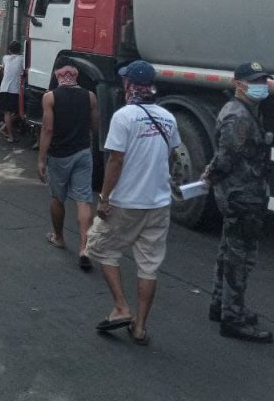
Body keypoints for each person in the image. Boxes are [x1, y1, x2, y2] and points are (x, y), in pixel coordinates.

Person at [85, 60, 180, 346]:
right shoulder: (168, 117)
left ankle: (121, 307)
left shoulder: (124, 116)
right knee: (148, 266)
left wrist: (104, 197)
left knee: (101, 248)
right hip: (159, 203)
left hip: (127, 201)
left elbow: (115, 159)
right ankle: (139, 327)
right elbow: (170, 155)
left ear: (129, 85)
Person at [202, 61, 274, 343]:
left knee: (228, 251)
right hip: (242, 195)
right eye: (255, 81)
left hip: (241, 193)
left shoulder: (246, 110)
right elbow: (226, 158)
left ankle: (220, 305)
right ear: (238, 84)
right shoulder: (238, 116)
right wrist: (210, 176)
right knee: (240, 258)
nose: (262, 86)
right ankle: (233, 318)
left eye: (264, 81)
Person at [37, 65, 100, 270]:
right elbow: (95, 125)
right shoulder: (89, 96)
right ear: (75, 78)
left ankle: (58, 237)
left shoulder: (50, 97)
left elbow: (47, 129)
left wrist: (41, 159)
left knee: (58, 197)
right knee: (83, 200)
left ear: (58, 79)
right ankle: (84, 248)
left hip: (59, 155)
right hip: (82, 153)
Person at [0, 41, 24, 142]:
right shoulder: (22, 59)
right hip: (15, 89)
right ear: (20, 50)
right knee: (18, 112)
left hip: (4, 88)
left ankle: (9, 134)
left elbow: (3, 69)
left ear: (9, 50)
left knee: (7, 113)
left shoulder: (5, 58)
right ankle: (7, 131)